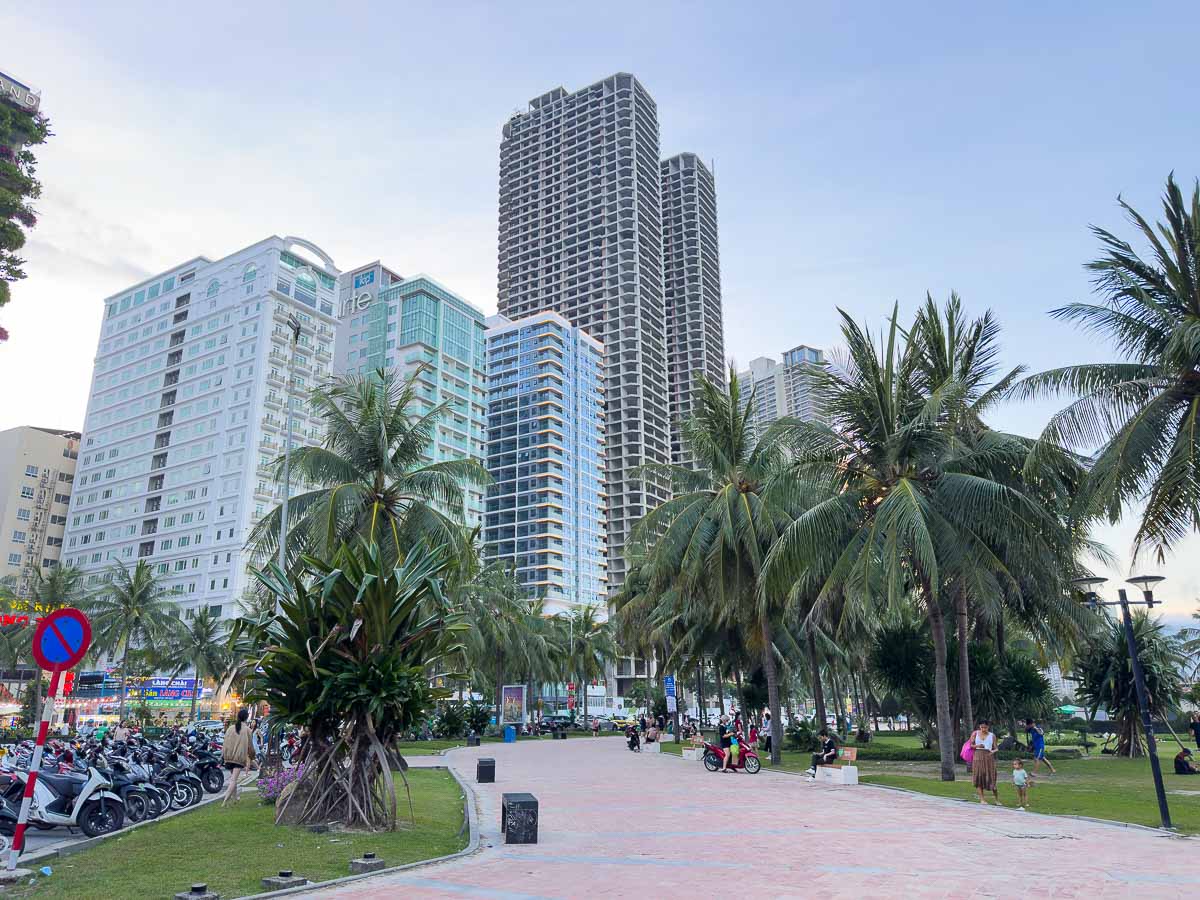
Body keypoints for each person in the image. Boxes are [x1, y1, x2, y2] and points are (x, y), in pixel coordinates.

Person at [221, 708, 254, 807]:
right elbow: (251, 747)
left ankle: (235, 798)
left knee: (233, 778)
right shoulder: (247, 730)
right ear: (247, 718)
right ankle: (224, 801)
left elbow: (225, 742)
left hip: (228, 757)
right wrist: (252, 756)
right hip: (238, 758)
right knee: (233, 780)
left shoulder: (230, 728)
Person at [971, 720, 1000, 805]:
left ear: (988, 727)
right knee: (979, 776)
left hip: (988, 756)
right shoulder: (975, 733)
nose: (983, 729)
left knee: (991, 776)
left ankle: (997, 799)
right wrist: (977, 746)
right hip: (978, 756)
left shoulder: (992, 735)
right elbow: (971, 745)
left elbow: (996, 748)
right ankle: (982, 799)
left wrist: (992, 752)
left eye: (985, 727)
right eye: (981, 727)